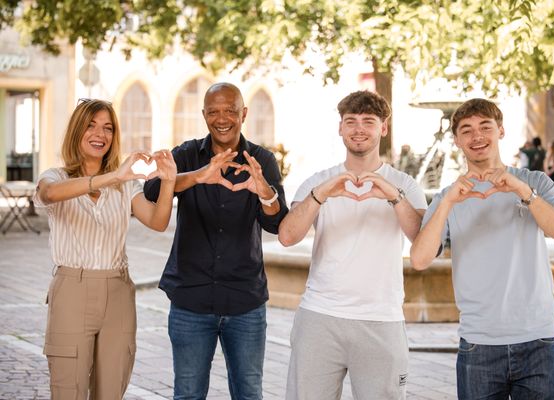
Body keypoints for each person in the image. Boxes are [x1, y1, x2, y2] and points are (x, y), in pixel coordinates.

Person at [410, 98, 554, 400]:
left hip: (538, 338)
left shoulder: (534, 182)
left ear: (501, 131)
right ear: (456, 140)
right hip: (478, 343)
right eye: (467, 130)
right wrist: (446, 205)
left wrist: (523, 192)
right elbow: (419, 260)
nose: (477, 136)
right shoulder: (448, 196)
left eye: (485, 127)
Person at [143, 82, 288, 399]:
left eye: (229, 110)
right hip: (190, 300)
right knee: (188, 394)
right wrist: (197, 175)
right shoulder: (187, 153)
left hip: (245, 301)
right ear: (204, 114)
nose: (221, 118)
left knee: (249, 393)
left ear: (243, 113)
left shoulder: (261, 159)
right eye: (213, 111)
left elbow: (277, 223)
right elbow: (151, 190)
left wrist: (265, 192)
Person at [279, 90, 427, 400]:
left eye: (368, 122)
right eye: (351, 121)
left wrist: (393, 196)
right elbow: (287, 236)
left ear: (383, 128)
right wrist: (321, 194)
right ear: (340, 128)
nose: (359, 129)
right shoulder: (318, 181)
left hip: (381, 319)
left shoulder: (405, 185)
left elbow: (421, 241)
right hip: (320, 316)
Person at [34, 98, 176, 399]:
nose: (100, 134)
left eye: (108, 128)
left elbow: (157, 221)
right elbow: (49, 194)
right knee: (67, 390)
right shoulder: (56, 177)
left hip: (118, 292)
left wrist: (168, 182)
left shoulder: (126, 186)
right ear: (77, 131)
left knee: (111, 390)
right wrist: (114, 175)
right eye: (91, 126)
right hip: (72, 288)